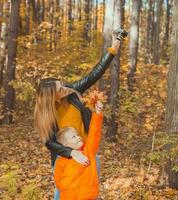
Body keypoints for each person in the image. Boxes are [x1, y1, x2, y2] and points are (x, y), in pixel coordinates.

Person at [34, 29, 128, 199]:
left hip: (88, 152)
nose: (64, 88)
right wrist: (71, 153)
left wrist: (113, 49)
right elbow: (49, 142)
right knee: (62, 195)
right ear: (51, 98)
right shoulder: (46, 114)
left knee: (90, 194)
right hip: (65, 159)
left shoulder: (71, 92)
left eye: (61, 84)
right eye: (59, 89)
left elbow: (94, 74)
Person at [53, 101, 104, 200]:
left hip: (88, 196)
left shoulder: (88, 151)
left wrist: (97, 114)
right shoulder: (61, 160)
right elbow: (58, 181)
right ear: (65, 145)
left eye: (77, 135)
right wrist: (68, 187)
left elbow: (94, 133)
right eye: (73, 137)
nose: (78, 137)